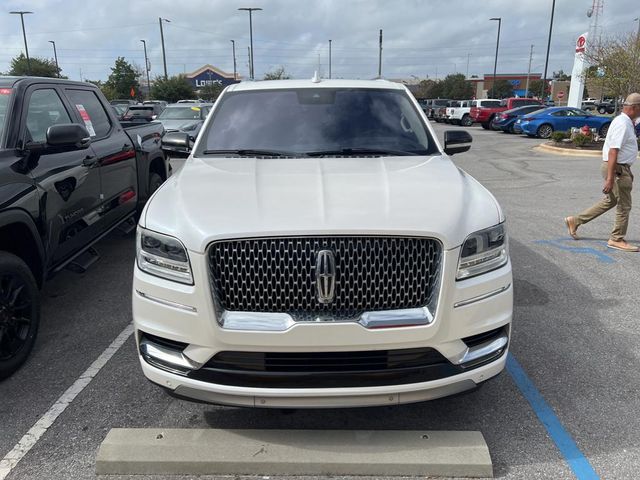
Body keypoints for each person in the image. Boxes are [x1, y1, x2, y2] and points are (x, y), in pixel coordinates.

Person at [564, 93, 640, 252]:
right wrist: (611, 178)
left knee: (610, 201)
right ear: (634, 108)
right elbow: (613, 151)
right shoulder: (623, 124)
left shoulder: (624, 121)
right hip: (618, 169)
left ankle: (575, 221)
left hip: (618, 168)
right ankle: (616, 239)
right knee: (624, 206)